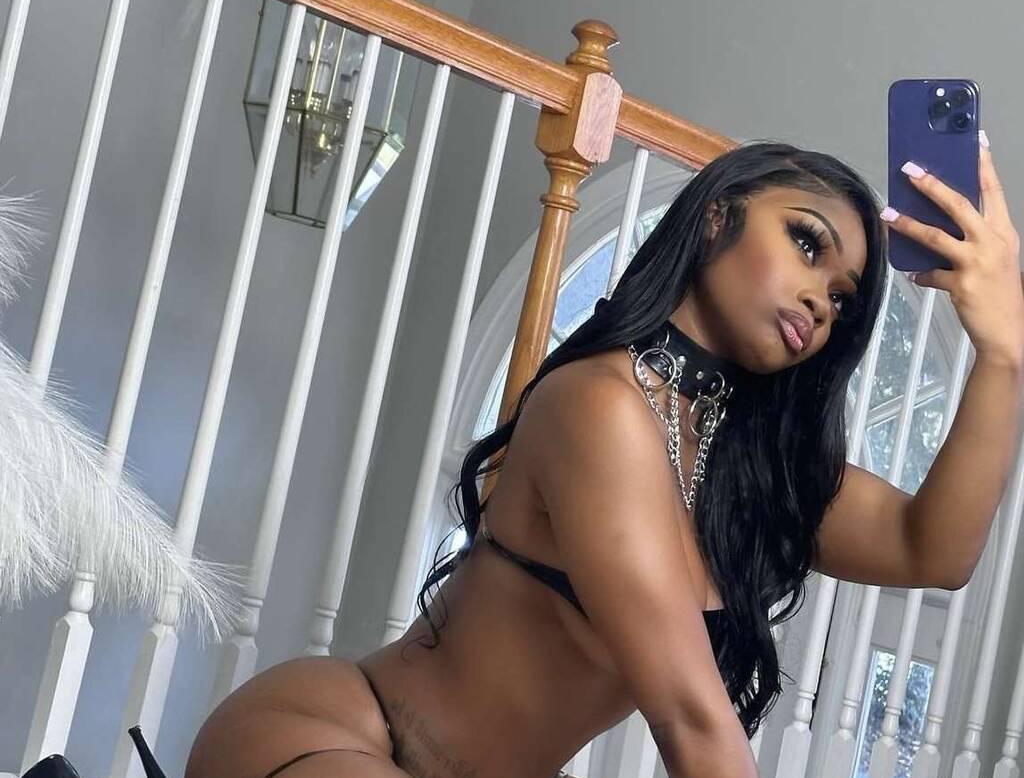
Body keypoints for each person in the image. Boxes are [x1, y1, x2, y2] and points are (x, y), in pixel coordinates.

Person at [185, 139, 1024, 778]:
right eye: (807, 243)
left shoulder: (750, 470)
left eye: (842, 298)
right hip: (341, 739)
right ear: (717, 217)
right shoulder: (598, 405)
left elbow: (933, 550)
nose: (821, 299)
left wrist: (1003, 353)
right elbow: (692, 717)